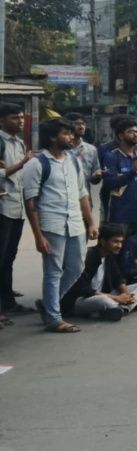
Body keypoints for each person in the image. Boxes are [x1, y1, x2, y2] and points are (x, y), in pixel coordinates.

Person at [23, 118, 99, 333]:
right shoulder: (37, 164)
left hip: (75, 223)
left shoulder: (73, 161)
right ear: (53, 137)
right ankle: (54, 318)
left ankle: (49, 304)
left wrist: (91, 222)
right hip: (52, 224)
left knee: (76, 268)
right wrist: (38, 236)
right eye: (66, 133)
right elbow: (31, 202)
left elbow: (82, 194)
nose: (72, 137)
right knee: (53, 271)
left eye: (71, 133)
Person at [62, 224, 137, 321]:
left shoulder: (109, 255)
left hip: (104, 294)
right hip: (81, 299)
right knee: (103, 300)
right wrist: (117, 298)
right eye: (115, 241)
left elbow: (118, 278)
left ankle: (121, 309)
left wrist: (127, 296)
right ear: (103, 241)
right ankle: (115, 308)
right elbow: (84, 289)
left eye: (121, 242)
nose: (119, 246)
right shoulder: (89, 256)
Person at [0, 102, 34, 318]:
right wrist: (23, 162)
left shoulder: (20, 142)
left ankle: (8, 301)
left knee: (9, 257)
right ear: (2, 120)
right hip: (3, 207)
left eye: (21, 117)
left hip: (17, 207)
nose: (20, 121)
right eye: (15, 118)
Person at [102, 117, 137, 236]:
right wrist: (132, 171)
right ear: (120, 136)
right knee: (119, 250)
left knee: (136, 249)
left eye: (136, 131)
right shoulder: (112, 157)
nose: (135, 135)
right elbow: (110, 183)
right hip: (120, 214)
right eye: (130, 132)